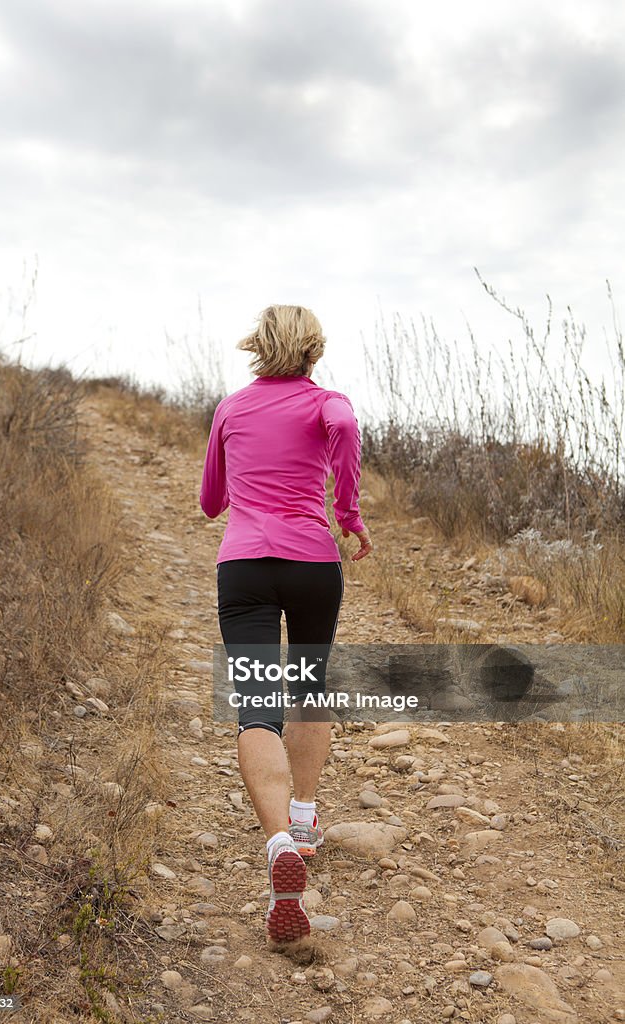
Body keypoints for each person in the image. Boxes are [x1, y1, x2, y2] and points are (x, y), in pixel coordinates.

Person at [199, 304, 372, 944]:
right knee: (307, 687)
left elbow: (210, 500)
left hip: (244, 565)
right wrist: (346, 511)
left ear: (258, 346)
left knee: (255, 708)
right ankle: (304, 817)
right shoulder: (326, 402)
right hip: (310, 563)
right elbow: (347, 424)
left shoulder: (230, 409)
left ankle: (278, 845)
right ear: (312, 351)